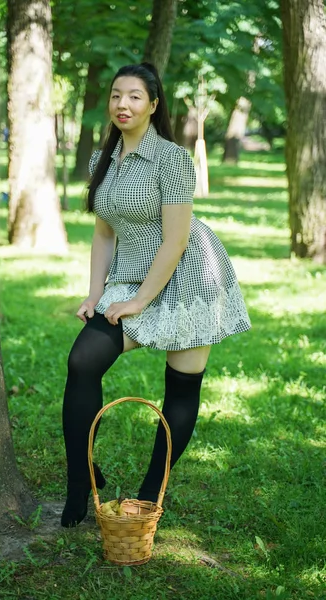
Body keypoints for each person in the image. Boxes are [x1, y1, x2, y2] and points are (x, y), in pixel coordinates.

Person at [61, 62, 251, 528]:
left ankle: (149, 495)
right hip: (129, 277)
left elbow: (176, 241)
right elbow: (105, 234)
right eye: (116, 95)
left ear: (153, 105)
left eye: (134, 97)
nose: (122, 104)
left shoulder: (172, 159)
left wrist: (140, 302)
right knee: (82, 362)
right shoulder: (101, 160)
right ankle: (80, 481)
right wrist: (96, 294)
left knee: (181, 388)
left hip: (188, 279)